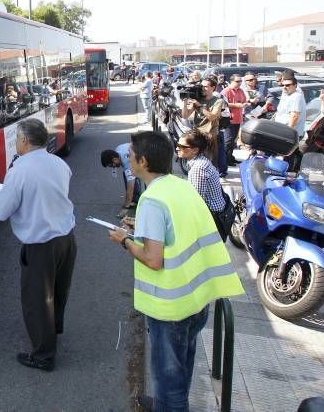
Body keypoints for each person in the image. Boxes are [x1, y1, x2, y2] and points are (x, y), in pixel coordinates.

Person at [106, 131, 243, 411]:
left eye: (131, 155)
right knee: (181, 371)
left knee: (170, 386)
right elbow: (175, 232)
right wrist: (141, 228)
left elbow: (153, 259)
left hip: (170, 308)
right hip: (196, 299)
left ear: (143, 161)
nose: (128, 159)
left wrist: (126, 240)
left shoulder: (152, 200)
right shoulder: (179, 186)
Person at [0, 118, 77, 372]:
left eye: (17, 137)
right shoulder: (59, 163)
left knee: (38, 299)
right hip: (67, 238)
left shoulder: (20, 170)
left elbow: (0, 211)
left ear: (25, 140)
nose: (16, 142)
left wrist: (1, 191)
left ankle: (43, 355)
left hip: (41, 243)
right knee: (59, 290)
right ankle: (53, 331)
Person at [176, 130, 228, 238]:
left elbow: (196, 202)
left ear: (195, 150)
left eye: (182, 146)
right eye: (177, 145)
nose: (177, 148)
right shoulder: (202, 161)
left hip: (212, 219)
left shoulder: (198, 169)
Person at [182, 77, 224, 172]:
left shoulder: (218, 101)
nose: (202, 88)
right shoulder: (198, 99)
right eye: (202, 86)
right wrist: (185, 103)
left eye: (205, 86)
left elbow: (212, 117)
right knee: (196, 160)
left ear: (213, 87)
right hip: (198, 133)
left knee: (210, 162)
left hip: (210, 135)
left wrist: (200, 106)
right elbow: (185, 116)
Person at [274, 71, 307, 170]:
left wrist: (288, 132)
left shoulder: (296, 96)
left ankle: (291, 175)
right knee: (289, 155)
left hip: (291, 132)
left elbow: (294, 116)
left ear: (295, 85)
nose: (284, 87)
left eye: (288, 85)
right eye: (283, 85)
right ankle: (291, 173)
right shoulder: (287, 94)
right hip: (285, 130)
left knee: (290, 156)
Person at [100, 144, 140, 217]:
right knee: (126, 174)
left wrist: (125, 208)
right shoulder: (118, 149)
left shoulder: (127, 162)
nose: (113, 167)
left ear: (114, 159)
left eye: (112, 165)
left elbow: (130, 187)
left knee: (131, 181)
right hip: (137, 154)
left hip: (147, 157)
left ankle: (139, 201)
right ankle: (134, 200)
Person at [221, 74, 247, 166]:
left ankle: (230, 158)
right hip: (229, 119)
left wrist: (244, 104)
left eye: (240, 81)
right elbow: (223, 103)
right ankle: (225, 160)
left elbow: (244, 100)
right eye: (237, 81)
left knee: (233, 141)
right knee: (228, 140)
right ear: (231, 81)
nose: (239, 83)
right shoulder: (226, 91)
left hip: (237, 118)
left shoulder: (240, 91)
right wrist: (236, 105)